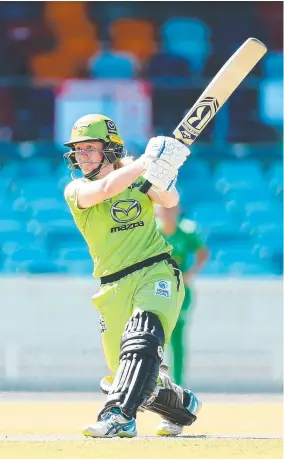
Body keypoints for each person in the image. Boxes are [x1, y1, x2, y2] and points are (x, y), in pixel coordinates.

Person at [63, 114, 202, 438]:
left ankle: (119, 416)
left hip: (156, 270)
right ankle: (181, 405)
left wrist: (164, 175)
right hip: (112, 286)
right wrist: (146, 161)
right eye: (78, 150)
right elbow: (108, 188)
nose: (81, 156)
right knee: (131, 374)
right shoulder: (77, 189)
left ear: (110, 150)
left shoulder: (141, 182)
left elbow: (170, 201)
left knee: (141, 338)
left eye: (89, 149)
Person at [156, 205, 209, 386]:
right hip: (156, 290)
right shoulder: (152, 230)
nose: (168, 214)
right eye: (164, 210)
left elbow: (203, 253)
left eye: (171, 210)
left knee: (177, 339)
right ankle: (152, 381)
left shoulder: (186, 231)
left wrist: (191, 273)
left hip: (180, 291)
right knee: (154, 337)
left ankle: (178, 383)